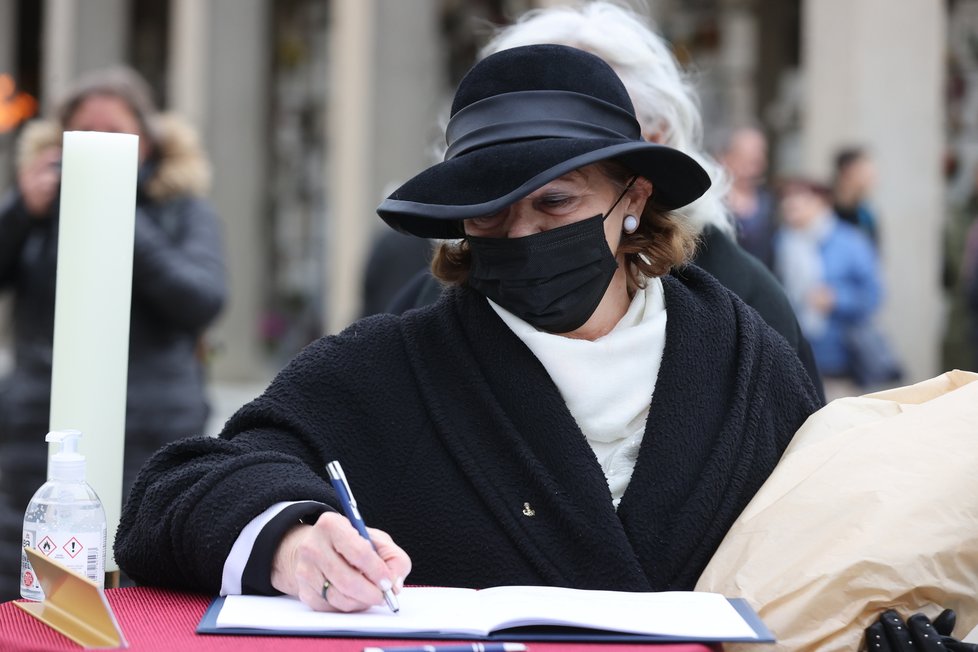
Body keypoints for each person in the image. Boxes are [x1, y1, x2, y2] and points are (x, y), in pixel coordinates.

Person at [115, 44, 821, 614]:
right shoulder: (398, 363)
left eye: (554, 202)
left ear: (633, 199)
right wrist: (293, 540)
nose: (521, 232)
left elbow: (829, 538)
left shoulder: (745, 362)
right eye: (489, 212)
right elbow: (173, 491)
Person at [387, 1, 824, 401]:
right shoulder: (429, 313)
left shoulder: (744, 316)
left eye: (557, 197)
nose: (520, 228)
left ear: (649, 154)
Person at [0, 66, 226, 598]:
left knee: (138, 585)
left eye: (115, 134)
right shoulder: (38, 209)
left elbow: (202, 298)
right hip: (38, 435)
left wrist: (117, 212)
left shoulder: (181, 211)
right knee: (31, 587)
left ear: (147, 142)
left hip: (152, 433)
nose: (99, 146)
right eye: (84, 135)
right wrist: (22, 209)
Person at [774, 178, 899, 388]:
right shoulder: (781, 243)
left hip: (839, 360)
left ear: (822, 202)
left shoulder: (850, 242)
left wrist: (837, 299)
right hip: (792, 358)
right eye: (786, 197)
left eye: (799, 197)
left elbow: (874, 296)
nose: (789, 203)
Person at [716, 125, 778, 270]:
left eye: (757, 159)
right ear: (724, 158)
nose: (751, 167)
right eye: (743, 157)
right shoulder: (712, 202)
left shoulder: (771, 202)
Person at [832, 146, 880, 247]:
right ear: (847, 171)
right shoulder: (822, 213)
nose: (872, 176)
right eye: (864, 171)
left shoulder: (866, 216)